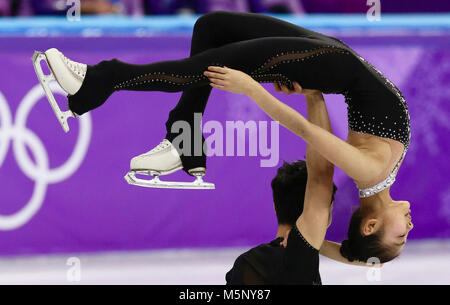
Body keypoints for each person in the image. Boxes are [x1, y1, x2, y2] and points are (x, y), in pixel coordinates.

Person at [38, 11, 413, 262]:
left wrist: (253, 90)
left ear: (370, 225)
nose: (408, 229)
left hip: (331, 64)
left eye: (400, 237)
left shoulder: (370, 170)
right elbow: (319, 164)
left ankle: (97, 82)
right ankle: (184, 140)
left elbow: (307, 133)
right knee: (211, 28)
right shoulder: (383, 172)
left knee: (202, 69)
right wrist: (312, 94)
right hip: (335, 60)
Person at [227, 84, 338, 284]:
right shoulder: (299, 259)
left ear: (275, 206)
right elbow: (321, 173)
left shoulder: (243, 264)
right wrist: (314, 94)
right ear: (325, 212)